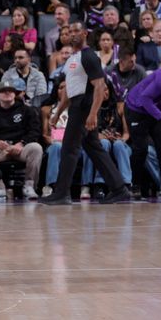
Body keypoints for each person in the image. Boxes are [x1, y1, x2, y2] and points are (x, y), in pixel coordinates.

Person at [41, 23, 129, 205]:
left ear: (84, 33)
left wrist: (93, 113)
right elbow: (68, 89)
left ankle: (62, 193)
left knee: (68, 149)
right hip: (76, 104)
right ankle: (119, 189)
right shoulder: (73, 58)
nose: (72, 34)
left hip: (84, 106)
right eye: (69, 32)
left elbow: (100, 86)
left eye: (75, 31)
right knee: (95, 149)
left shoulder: (89, 56)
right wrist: (57, 113)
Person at [123, 69, 161, 197]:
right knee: (141, 149)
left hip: (154, 107)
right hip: (136, 108)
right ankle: (135, 185)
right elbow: (144, 98)